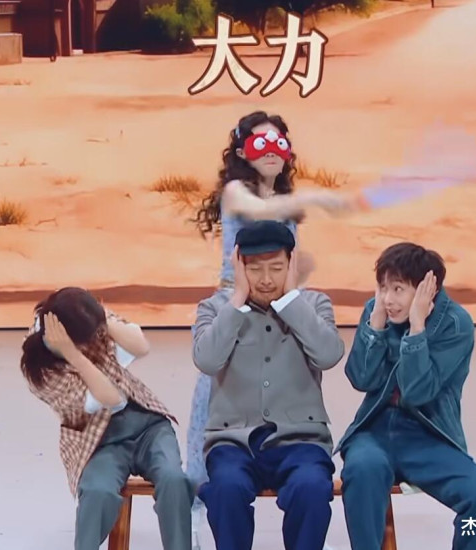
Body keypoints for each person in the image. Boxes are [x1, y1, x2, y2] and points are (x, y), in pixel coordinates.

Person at [186, 111, 367, 545]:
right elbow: (262, 211)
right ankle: (195, 518)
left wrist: (290, 286)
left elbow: (327, 351)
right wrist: (319, 199)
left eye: (279, 143)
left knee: (307, 482)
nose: (271, 152)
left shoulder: (284, 205)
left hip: (284, 306)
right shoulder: (238, 192)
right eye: (260, 144)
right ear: (241, 150)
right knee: (216, 437)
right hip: (234, 308)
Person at [335, 243, 476, 550]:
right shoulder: (377, 310)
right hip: (374, 431)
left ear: (429, 289)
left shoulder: (455, 323)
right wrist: (375, 327)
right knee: (363, 469)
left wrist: (417, 329)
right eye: (383, 287)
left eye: (398, 289)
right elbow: (361, 379)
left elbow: (418, 392)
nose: (388, 299)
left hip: (427, 434)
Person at [192, 220, 346, 550]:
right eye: (254, 269)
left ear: (292, 263)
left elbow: (328, 355)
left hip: (301, 439)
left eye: (276, 268)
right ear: (238, 265)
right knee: (225, 489)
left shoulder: (314, 305)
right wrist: (236, 300)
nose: (265, 279)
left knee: (311, 488)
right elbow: (207, 361)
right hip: (233, 440)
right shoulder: (215, 308)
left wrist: (290, 299)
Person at [20, 287, 193, 550]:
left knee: (174, 480)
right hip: (98, 440)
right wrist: (73, 354)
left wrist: (102, 319)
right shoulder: (40, 369)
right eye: (90, 338)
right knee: (97, 491)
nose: (98, 340)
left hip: (148, 425)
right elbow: (109, 397)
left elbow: (141, 346)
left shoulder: (82, 315)